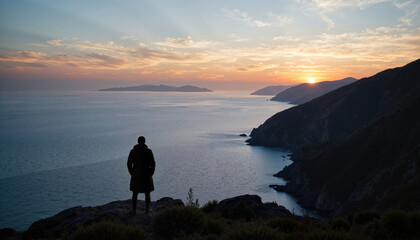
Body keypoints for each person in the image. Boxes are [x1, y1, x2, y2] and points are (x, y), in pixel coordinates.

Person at [127, 136, 156, 215]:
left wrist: (131, 173)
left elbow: (129, 164)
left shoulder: (133, 151)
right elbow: (153, 164)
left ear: (138, 141)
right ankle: (147, 211)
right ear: (144, 142)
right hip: (146, 175)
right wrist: (151, 173)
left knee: (135, 193)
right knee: (147, 193)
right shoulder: (148, 151)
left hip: (136, 175)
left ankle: (134, 210)